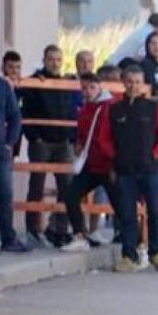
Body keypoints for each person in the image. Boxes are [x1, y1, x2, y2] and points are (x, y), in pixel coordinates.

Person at [99, 65, 158, 273]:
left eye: (137, 82)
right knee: (127, 214)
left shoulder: (153, 108)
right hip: (125, 170)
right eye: (130, 81)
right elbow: (104, 139)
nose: (133, 86)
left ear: (143, 85)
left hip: (150, 169)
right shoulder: (113, 109)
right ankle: (128, 256)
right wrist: (116, 156)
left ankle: (156, 253)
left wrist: (155, 154)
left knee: (156, 212)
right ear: (123, 82)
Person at [20, 44, 76, 248]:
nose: (55, 62)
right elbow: (26, 112)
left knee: (67, 187)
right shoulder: (35, 82)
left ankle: (59, 228)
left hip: (63, 143)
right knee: (36, 185)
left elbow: (72, 112)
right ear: (44, 60)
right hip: (41, 142)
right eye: (51, 59)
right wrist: (34, 138)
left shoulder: (66, 84)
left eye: (58, 59)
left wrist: (70, 136)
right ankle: (32, 229)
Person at [60, 73, 118, 253]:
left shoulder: (111, 107)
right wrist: (79, 143)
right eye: (84, 88)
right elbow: (83, 131)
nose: (87, 91)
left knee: (121, 206)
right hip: (91, 164)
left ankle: (139, 244)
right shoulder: (86, 108)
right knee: (71, 195)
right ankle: (80, 235)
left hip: (108, 164)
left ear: (100, 87)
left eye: (91, 87)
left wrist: (115, 163)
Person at [0, 67, 26, 252]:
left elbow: (15, 116)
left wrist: (9, 143)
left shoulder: (1, 86)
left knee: (5, 195)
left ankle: (8, 239)